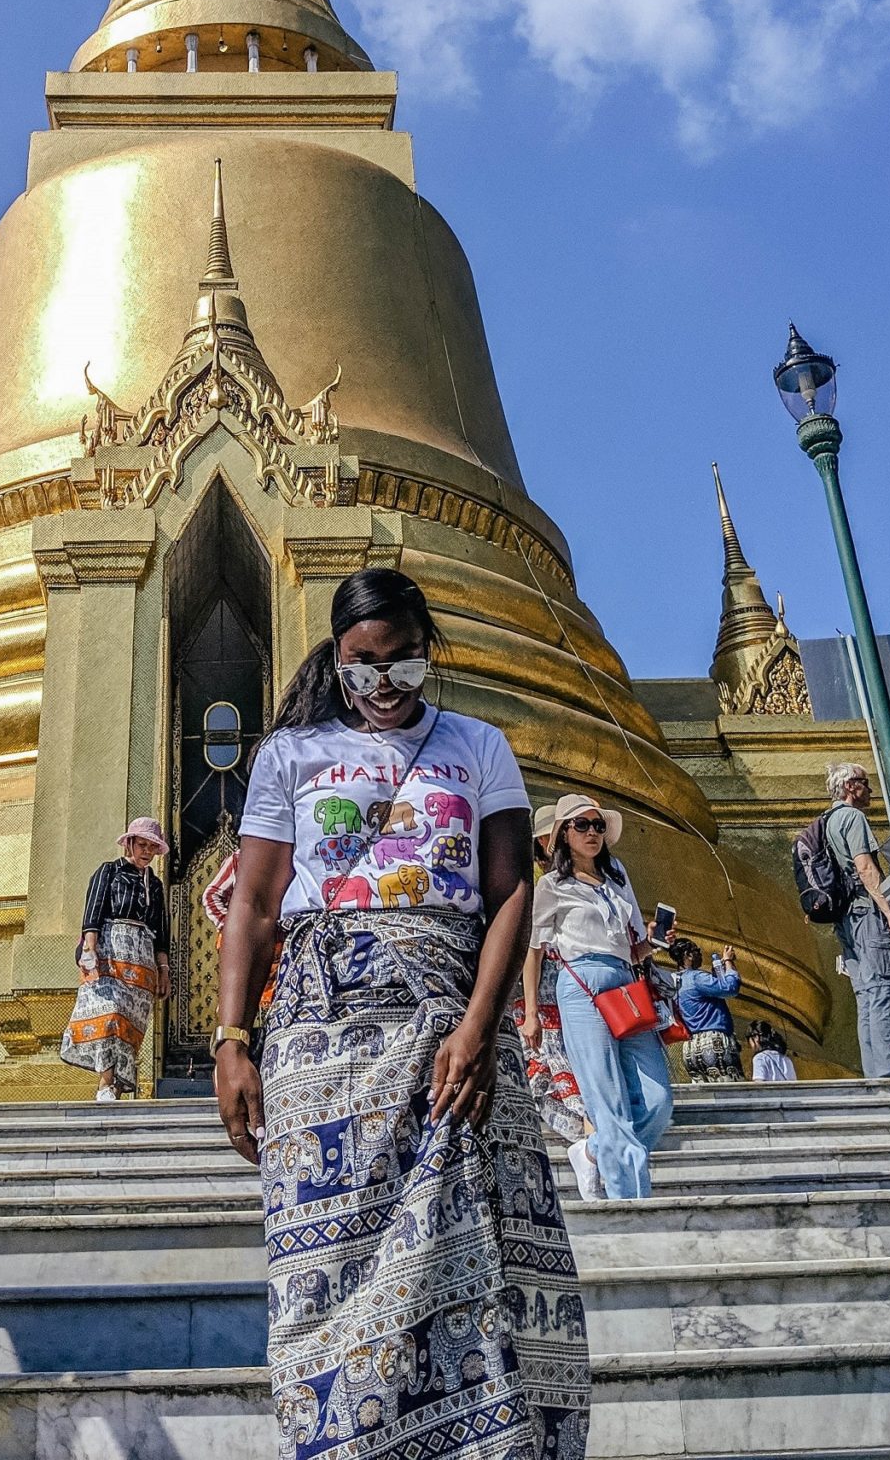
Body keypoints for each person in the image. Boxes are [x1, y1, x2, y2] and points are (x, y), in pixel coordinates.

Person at [216, 568, 589, 1460]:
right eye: (362, 665)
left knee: (481, 1266)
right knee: (325, 1278)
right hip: (324, 1037)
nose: (383, 684)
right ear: (338, 660)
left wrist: (478, 1025)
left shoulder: (478, 746)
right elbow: (257, 904)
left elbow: (509, 895)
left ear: (429, 653)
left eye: (402, 664)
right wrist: (234, 1041)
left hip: (451, 1028)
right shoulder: (291, 755)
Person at [527, 794, 674, 1201]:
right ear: (563, 835)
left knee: (658, 1101)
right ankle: (632, 1202)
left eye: (598, 825)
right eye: (582, 826)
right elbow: (534, 949)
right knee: (607, 1101)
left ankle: (593, 1149)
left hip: (624, 983)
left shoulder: (618, 875)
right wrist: (532, 1013)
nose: (592, 832)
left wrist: (653, 944)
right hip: (580, 986)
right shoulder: (552, 886)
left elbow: (633, 946)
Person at [515, 803, 597, 1197]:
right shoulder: (535, 882)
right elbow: (530, 945)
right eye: (574, 828)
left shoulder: (567, 881)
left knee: (552, 1070)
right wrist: (529, 1007)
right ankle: (586, 1140)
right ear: (547, 841)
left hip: (565, 991)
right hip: (538, 992)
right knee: (549, 1068)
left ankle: (588, 1142)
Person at [63, 816, 171, 1101]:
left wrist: (164, 969)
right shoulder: (109, 872)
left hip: (142, 957)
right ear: (130, 844)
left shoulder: (156, 886)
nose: (146, 851)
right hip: (111, 951)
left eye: (151, 846)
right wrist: (89, 950)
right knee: (109, 1015)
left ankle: (120, 1086)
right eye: (142, 845)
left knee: (130, 1023)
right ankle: (105, 1081)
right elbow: (93, 915)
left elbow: (162, 932)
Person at [823, 763, 890, 1078]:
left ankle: (876, 1074)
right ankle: (888, 1073)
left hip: (844, 918)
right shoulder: (852, 817)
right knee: (884, 988)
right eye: (865, 782)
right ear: (849, 786)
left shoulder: (826, 821)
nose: (869, 789)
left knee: (866, 996)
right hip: (865, 912)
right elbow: (866, 868)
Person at [668, 937, 743, 1081]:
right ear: (688, 955)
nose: (700, 955)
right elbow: (730, 988)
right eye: (697, 951)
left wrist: (716, 975)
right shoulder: (696, 977)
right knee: (731, 1094)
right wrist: (728, 962)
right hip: (714, 1042)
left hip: (690, 1047)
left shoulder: (674, 982)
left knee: (704, 1097)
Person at [747, 1019, 798, 1084]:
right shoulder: (787, 1060)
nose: (749, 1046)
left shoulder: (760, 1058)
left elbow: (759, 1085)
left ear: (756, 1038)